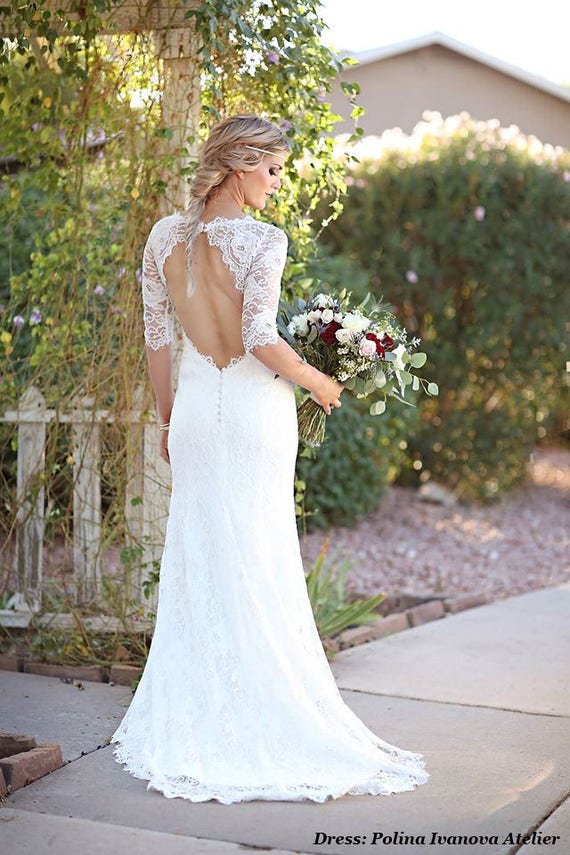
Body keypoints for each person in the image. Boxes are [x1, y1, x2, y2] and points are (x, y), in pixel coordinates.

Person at [110, 114, 428, 804]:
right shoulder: (263, 240)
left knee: (203, 556)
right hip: (256, 415)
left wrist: (167, 419)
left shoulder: (163, 237)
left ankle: (205, 712)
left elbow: (157, 339)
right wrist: (319, 382)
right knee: (259, 555)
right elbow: (258, 337)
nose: (278, 182)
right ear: (238, 165)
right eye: (273, 169)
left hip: (196, 414)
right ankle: (264, 711)